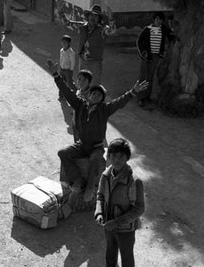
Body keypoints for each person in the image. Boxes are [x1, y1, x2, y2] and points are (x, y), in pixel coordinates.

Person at [47, 59, 148, 202]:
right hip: (82, 145)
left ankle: (90, 188)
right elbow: (67, 92)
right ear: (89, 95)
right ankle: (77, 180)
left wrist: (133, 92)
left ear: (101, 99)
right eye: (93, 94)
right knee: (63, 153)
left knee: (95, 160)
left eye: (99, 95)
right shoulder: (80, 105)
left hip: (96, 147)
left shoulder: (104, 110)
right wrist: (56, 76)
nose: (95, 96)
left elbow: (120, 102)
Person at [89, 138, 145, 267]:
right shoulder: (106, 175)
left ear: (127, 158)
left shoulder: (134, 181)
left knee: (127, 264)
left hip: (125, 229)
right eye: (113, 155)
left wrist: (118, 222)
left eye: (121, 156)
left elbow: (139, 209)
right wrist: (99, 213)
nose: (116, 159)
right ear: (109, 156)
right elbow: (99, 196)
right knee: (110, 252)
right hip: (108, 225)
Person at [63, 4, 116, 84]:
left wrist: (111, 18)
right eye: (91, 15)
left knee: (94, 85)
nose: (93, 18)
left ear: (99, 19)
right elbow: (67, 23)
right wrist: (61, 13)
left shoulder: (102, 30)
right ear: (88, 16)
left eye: (96, 16)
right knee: (82, 83)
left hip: (95, 62)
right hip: (83, 60)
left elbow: (112, 30)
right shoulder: (82, 26)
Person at [136, 11, 171, 108]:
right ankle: (141, 98)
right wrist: (143, 52)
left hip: (155, 56)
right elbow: (139, 41)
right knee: (142, 76)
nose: (158, 21)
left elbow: (171, 34)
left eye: (160, 19)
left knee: (150, 77)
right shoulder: (147, 29)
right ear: (154, 19)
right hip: (146, 56)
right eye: (157, 19)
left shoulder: (163, 30)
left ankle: (147, 96)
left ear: (162, 21)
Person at [72, 69, 93, 142]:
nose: (81, 82)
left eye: (84, 80)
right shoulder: (78, 92)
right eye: (79, 79)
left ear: (89, 82)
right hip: (76, 122)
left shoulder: (91, 95)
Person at [58, 35, 76, 101]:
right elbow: (61, 59)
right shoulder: (61, 50)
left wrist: (71, 70)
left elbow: (73, 62)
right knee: (61, 82)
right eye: (62, 42)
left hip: (68, 70)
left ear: (69, 43)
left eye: (65, 42)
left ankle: (77, 94)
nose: (63, 44)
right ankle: (61, 95)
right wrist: (60, 66)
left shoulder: (71, 52)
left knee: (70, 83)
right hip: (62, 69)